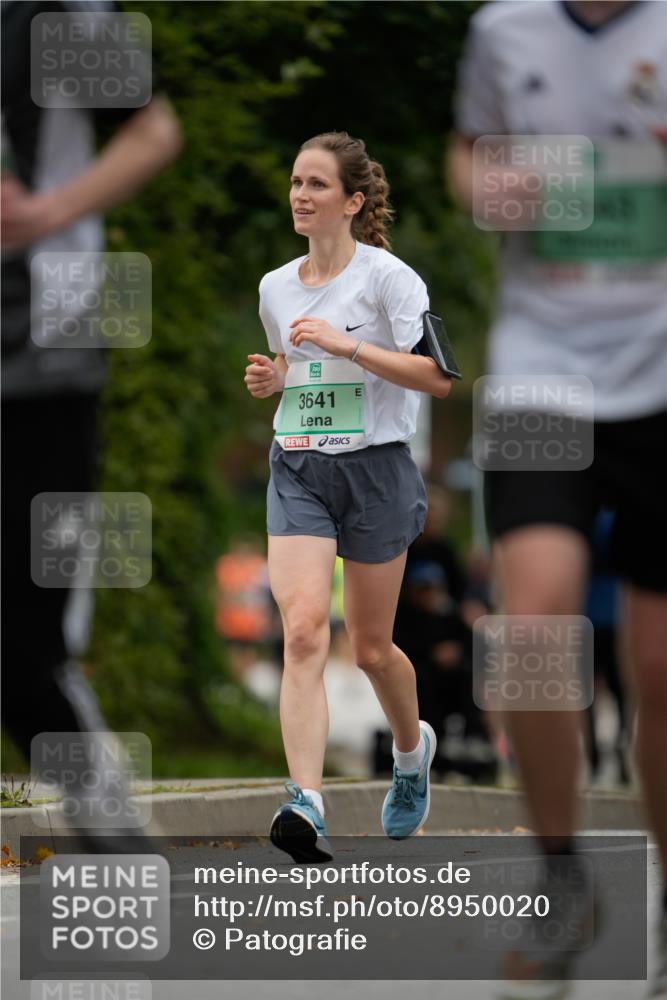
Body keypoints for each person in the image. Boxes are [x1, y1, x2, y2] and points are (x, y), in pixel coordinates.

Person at [450, 1, 667, 996]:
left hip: (662, 373)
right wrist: (490, 186)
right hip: (542, 367)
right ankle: (559, 875)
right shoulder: (506, 30)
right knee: (531, 620)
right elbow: (464, 152)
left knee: (659, 667)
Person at [1, 0, 182, 847]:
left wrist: (45, 212)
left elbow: (153, 130)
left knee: (21, 650)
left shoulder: (54, 13)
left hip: (39, 351)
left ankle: (112, 829)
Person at [244, 130, 452, 863]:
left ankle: (409, 751)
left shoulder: (391, 280)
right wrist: (276, 378)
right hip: (298, 465)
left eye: (316, 185)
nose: (300, 195)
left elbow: (437, 379)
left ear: (353, 201)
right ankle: (305, 800)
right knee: (302, 630)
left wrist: (348, 346)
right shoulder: (274, 284)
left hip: (377, 471)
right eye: (295, 182)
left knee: (369, 648)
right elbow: (289, 363)